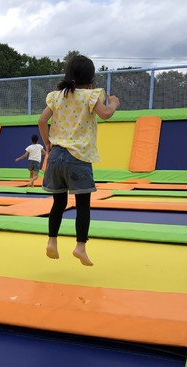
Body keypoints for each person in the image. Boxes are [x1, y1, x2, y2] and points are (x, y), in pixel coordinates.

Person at [37, 55, 120, 266]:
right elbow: (106, 114)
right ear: (91, 79)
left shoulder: (56, 96)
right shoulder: (91, 96)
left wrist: (47, 144)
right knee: (83, 204)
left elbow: (42, 120)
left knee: (58, 202)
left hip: (55, 157)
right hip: (78, 157)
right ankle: (80, 247)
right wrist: (114, 104)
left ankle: (52, 241)